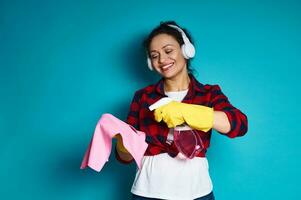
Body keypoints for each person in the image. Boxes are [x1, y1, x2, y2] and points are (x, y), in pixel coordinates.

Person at [114, 21, 248, 200]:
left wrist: (190, 112)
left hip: (197, 193)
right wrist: (124, 145)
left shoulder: (208, 94)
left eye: (168, 51)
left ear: (186, 51)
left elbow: (239, 125)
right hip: (147, 193)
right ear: (150, 63)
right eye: (154, 55)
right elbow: (125, 158)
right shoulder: (143, 97)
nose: (162, 60)